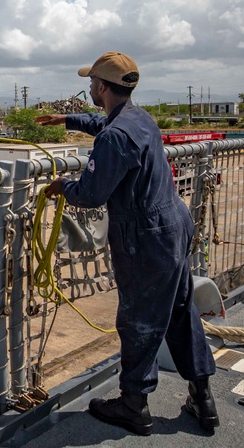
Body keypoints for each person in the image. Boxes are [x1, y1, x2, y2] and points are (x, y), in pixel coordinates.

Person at [36, 51, 218, 436]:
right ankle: (202, 396)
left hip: (146, 237)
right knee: (180, 308)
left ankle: (133, 405)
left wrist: (61, 186)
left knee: (140, 320)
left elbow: (90, 193)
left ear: (102, 87)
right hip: (172, 222)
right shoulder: (139, 118)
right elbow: (104, 126)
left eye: (91, 83)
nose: (89, 88)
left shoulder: (116, 137)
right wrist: (67, 119)